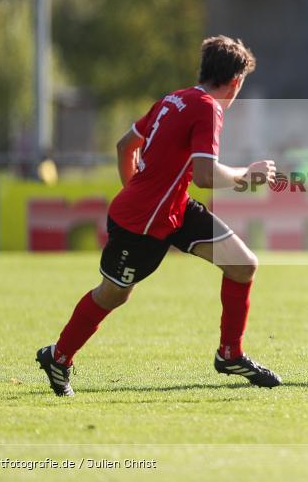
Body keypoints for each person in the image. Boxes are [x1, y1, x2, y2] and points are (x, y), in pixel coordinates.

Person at [36, 36, 282, 396]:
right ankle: (58, 357)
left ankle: (230, 354)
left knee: (243, 265)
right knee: (114, 294)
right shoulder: (208, 108)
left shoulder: (174, 98)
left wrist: (136, 188)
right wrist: (249, 175)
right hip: (140, 224)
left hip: (174, 211)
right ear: (235, 82)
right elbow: (204, 175)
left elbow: (125, 146)